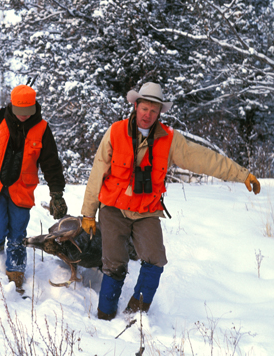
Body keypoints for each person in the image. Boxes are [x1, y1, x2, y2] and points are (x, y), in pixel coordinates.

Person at [81, 82, 261, 320]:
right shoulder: (115, 132)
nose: (148, 115)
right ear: (136, 106)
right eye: (144, 108)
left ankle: (136, 314)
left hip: (146, 211)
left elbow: (204, 159)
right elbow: (97, 172)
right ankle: (104, 317)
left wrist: (242, 174)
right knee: (114, 264)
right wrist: (88, 213)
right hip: (114, 209)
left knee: (155, 260)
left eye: (153, 111)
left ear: (159, 113)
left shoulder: (169, 139)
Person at [0, 85, 67, 292]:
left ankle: (16, 268)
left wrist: (57, 194)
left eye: (28, 112)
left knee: (18, 230)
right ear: (12, 105)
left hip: (21, 188)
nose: (24, 116)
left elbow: (51, 164)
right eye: (20, 112)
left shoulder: (42, 128)